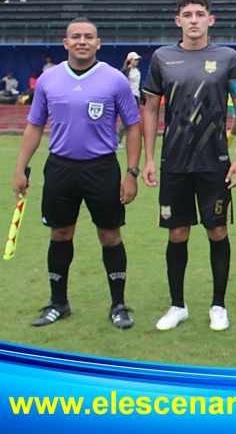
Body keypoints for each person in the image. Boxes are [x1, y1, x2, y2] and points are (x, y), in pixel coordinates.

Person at [12, 17, 141, 329]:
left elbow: (133, 126)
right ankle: (58, 303)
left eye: (88, 36)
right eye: (75, 36)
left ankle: (118, 305)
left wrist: (132, 172)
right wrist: (20, 169)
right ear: (65, 43)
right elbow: (34, 126)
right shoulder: (49, 79)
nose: (82, 41)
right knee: (60, 233)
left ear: (98, 43)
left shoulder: (115, 79)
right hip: (61, 167)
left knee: (110, 235)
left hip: (102, 167)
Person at [141, 0, 236, 332]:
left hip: (215, 162)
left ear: (210, 20)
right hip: (174, 161)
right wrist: (148, 158)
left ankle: (218, 305)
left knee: (217, 231)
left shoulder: (228, 58)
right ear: (178, 21)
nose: (193, 20)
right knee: (177, 233)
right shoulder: (162, 58)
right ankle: (178, 306)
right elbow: (151, 110)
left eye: (200, 14)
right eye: (187, 14)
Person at [118, 52, 142, 149]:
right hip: (129, 96)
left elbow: (139, 85)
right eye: (135, 60)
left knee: (134, 118)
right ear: (130, 60)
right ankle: (118, 140)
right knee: (127, 118)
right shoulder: (125, 70)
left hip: (136, 96)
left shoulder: (138, 70)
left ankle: (130, 139)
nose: (137, 61)